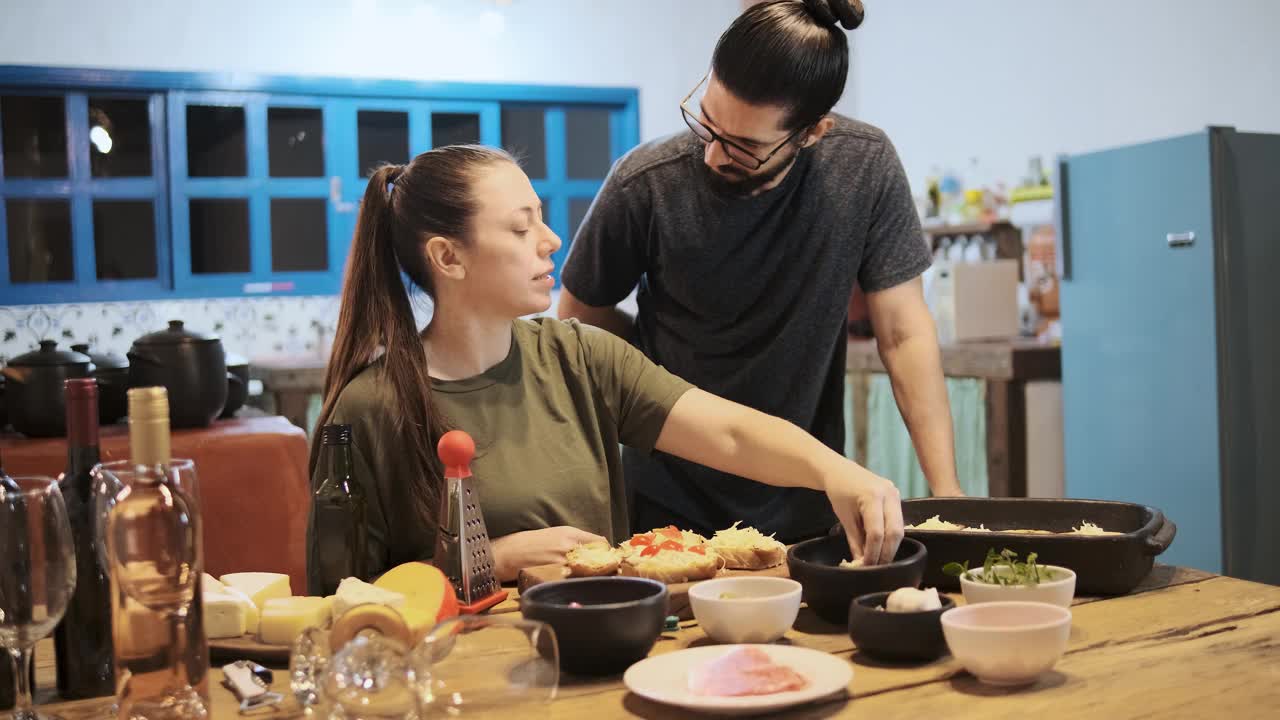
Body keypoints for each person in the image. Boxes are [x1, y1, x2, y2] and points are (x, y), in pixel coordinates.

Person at [304, 145, 903, 589]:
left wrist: (835, 472)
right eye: (521, 227)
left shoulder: (581, 356)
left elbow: (727, 431)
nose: (551, 239)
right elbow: (341, 598)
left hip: (597, 654)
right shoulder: (366, 410)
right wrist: (494, 557)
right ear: (448, 257)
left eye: (540, 217)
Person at [557, 0, 962, 544]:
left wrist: (947, 490)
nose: (712, 155)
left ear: (813, 133)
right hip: (669, 496)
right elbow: (580, 319)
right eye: (706, 120)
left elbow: (904, 331)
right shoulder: (645, 183)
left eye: (744, 146)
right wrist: (653, 370)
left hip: (809, 491)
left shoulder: (864, 167)